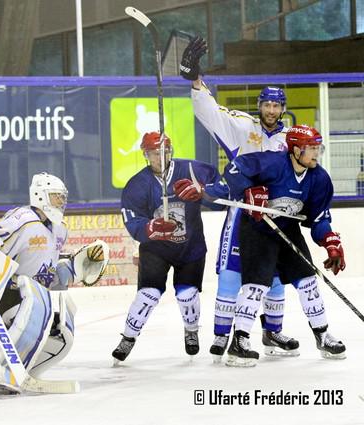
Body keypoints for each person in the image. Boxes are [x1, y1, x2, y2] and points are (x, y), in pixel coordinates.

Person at [180, 36, 299, 362]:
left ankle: (271, 331)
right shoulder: (242, 127)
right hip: (243, 213)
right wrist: (195, 80)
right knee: (232, 274)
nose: (271, 110)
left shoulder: (292, 139)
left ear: (283, 109)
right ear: (259, 105)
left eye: (276, 106)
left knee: (274, 277)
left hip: (275, 215)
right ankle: (222, 336)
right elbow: (210, 112)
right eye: (266, 104)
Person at [192, 124, 346, 366]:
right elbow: (236, 167)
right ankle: (239, 342)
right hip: (257, 229)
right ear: (295, 150)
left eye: (319, 148)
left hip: (287, 228)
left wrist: (330, 243)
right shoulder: (272, 163)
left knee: (308, 281)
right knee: (257, 286)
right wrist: (248, 190)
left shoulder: (319, 178)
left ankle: (323, 335)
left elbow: (318, 218)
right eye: (311, 148)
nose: (317, 153)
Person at [0, 172, 107, 392]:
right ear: (41, 196)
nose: (62, 202)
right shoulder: (22, 220)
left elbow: (46, 274)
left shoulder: (60, 229)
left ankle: (12, 369)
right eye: (57, 197)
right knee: (31, 310)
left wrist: (70, 271)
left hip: (29, 288)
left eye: (63, 197)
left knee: (59, 323)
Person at [112, 131, 222, 363]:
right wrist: (150, 228)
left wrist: (203, 191)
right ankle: (128, 337)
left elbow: (220, 187)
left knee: (187, 294)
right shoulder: (137, 185)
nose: (160, 157)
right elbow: (132, 220)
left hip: (190, 248)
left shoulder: (192, 170)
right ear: (145, 155)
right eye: (154, 153)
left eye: (164, 152)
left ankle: (191, 330)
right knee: (148, 295)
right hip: (156, 249)